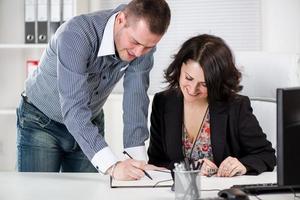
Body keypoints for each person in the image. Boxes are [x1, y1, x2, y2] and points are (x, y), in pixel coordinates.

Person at [16, 0, 171, 180]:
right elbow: (73, 109)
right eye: (134, 42)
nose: (138, 53)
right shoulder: (76, 35)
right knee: (38, 193)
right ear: (121, 20)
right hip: (41, 121)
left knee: (86, 194)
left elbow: (136, 97)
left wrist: (138, 161)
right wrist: (113, 166)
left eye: (148, 47)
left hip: (89, 121)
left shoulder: (143, 42)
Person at [147, 34, 276, 177]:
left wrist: (243, 165)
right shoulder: (163, 102)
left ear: (218, 82)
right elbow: (156, 162)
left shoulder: (236, 107)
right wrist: (189, 168)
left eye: (204, 84)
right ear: (179, 68)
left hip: (222, 191)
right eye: (188, 78)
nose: (192, 89)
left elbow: (267, 155)